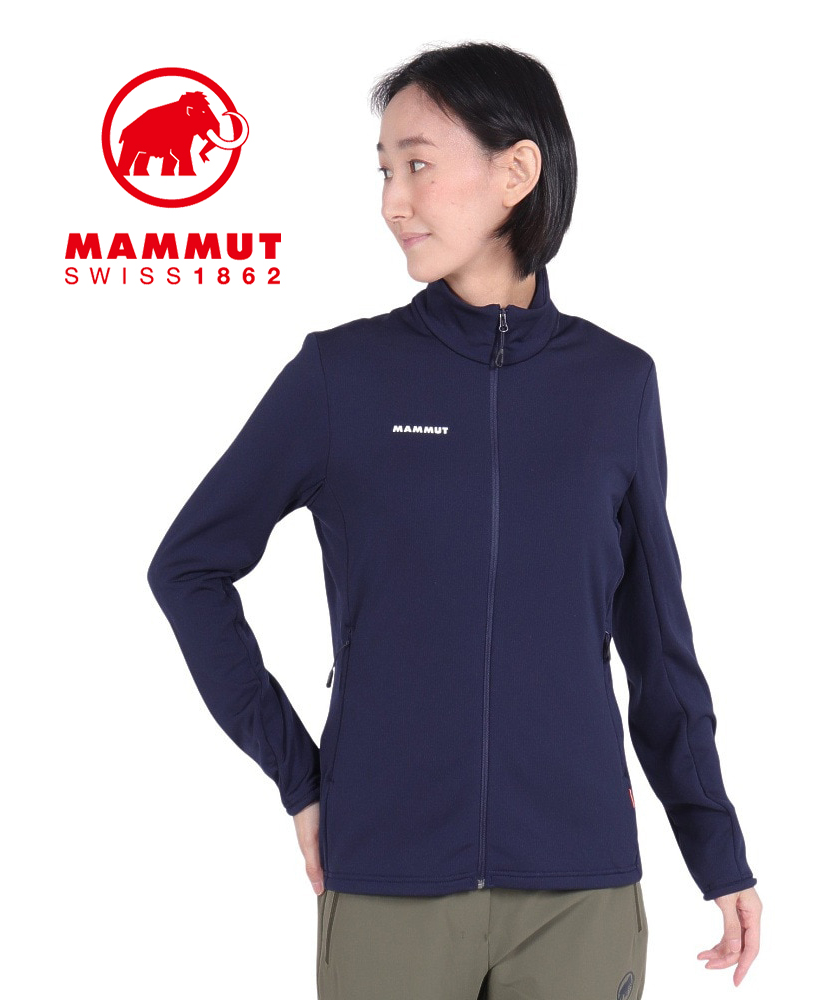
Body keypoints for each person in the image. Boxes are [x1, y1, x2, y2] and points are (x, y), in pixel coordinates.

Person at [147, 41, 762, 998]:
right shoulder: (341, 377)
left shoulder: (615, 384)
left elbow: (656, 639)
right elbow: (187, 568)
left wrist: (716, 849)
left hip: (578, 885)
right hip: (389, 873)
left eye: (418, 164)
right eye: (384, 171)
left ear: (517, 171)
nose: (393, 202)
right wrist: (300, 776)